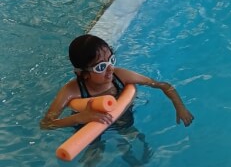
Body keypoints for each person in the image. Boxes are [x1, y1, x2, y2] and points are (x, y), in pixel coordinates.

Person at [40, 34, 194, 131]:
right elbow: (46, 123)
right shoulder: (72, 91)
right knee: (93, 155)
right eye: (101, 67)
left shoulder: (120, 76)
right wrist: (79, 118)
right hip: (87, 123)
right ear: (83, 74)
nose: (110, 69)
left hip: (122, 114)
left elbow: (162, 85)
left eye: (111, 60)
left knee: (132, 137)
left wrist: (180, 108)